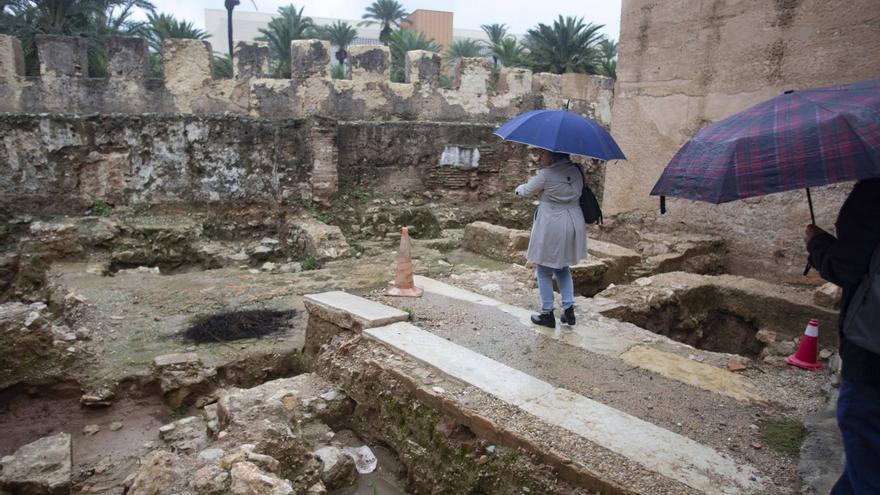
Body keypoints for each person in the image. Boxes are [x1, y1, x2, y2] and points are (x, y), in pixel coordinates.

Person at [805, 178, 880, 495]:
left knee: (867, 464)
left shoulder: (873, 192)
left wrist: (817, 242)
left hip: (872, 356)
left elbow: (846, 266)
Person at [515, 149, 586, 328]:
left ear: (554, 155)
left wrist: (518, 189)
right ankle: (569, 309)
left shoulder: (546, 174)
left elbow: (526, 191)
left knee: (543, 269)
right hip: (573, 222)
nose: (540, 158)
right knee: (562, 267)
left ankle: (547, 313)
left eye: (544, 154)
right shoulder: (578, 170)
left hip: (553, 224)